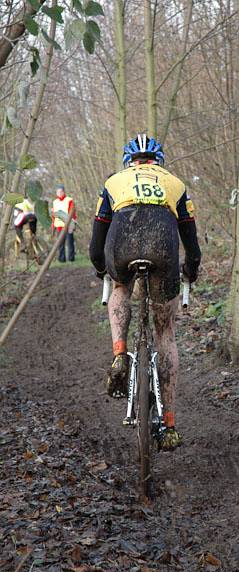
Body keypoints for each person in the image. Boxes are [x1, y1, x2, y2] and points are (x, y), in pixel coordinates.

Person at [89, 134, 201, 451]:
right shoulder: (175, 184)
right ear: (158, 160)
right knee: (165, 332)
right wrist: (190, 269)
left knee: (120, 285)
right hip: (162, 245)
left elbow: (97, 239)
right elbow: (191, 240)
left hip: (121, 243)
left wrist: (102, 268)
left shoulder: (114, 183)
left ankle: (119, 353)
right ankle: (169, 425)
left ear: (130, 161)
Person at [52, 185, 77, 262]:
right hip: (59, 225)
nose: (59, 193)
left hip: (68, 225)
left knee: (70, 242)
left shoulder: (69, 200)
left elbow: (73, 213)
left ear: (63, 192)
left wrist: (73, 224)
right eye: (58, 192)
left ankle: (71, 258)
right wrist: (53, 225)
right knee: (60, 243)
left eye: (60, 191)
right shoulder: (55, 202)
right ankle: (62, 259)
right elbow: (54, 214)